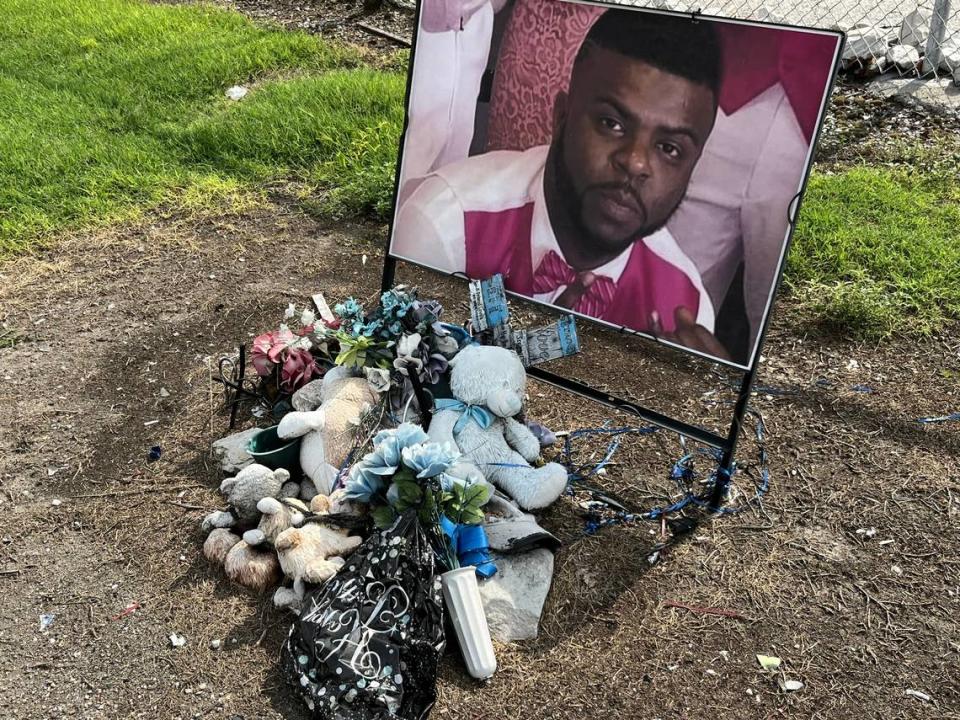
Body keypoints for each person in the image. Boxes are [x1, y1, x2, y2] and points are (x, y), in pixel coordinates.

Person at [393, 10, 731, 360]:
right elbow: (397, 383)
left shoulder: (684, 301)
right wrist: (526, 356)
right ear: (561, 116)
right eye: (611, 123)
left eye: (669, 148)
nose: (635, 161)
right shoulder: (445, 226)